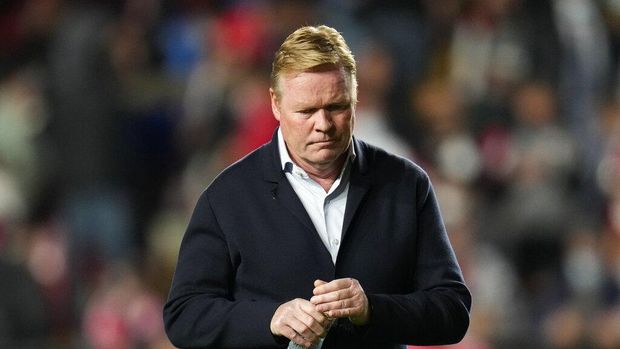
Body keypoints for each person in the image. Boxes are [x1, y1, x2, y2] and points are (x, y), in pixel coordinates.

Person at [163, 25, 471, 349]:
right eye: (306, 111)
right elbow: (185, 315)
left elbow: (452, 310)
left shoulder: (406, 186)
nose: (322, 125)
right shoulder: (227, 197)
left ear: (355, 100)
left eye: (336, 107)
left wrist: (372, 309)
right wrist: (270, 319)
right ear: (275, 105)